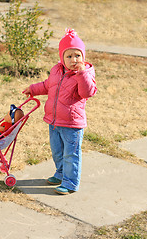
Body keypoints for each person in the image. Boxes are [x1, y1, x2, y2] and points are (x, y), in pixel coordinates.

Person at [23, 28, 97, 195]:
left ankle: (70, 183)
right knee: (57, 151)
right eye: (69, 56)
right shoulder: (57, 71)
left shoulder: (85, 74)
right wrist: (33, 89)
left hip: (72, 123)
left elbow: (87, 92)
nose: (73, 60)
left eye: (77, 55)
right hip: (54, 121)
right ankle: (61, 173)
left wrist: (82, 73)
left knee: (71, 154)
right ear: (61, 57)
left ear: (83, 57)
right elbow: (47, 85)